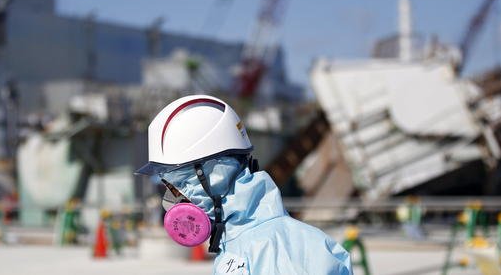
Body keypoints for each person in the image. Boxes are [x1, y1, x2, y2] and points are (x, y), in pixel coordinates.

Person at [136, 95, 352, 275]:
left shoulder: (282, 252)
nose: (173, 198)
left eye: (179, 183)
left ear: (216, 174)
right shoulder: (239, 243)